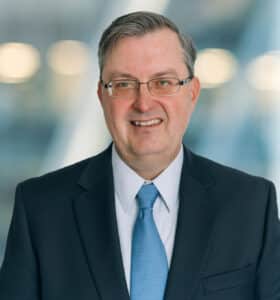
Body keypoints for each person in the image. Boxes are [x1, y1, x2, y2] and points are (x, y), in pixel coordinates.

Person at [0, 11, 279, 300]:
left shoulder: (251, 204)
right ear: (101, 96)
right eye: (123, 84)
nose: (144, 103)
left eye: (163, 82)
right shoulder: (40, 209)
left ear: (193, 92)